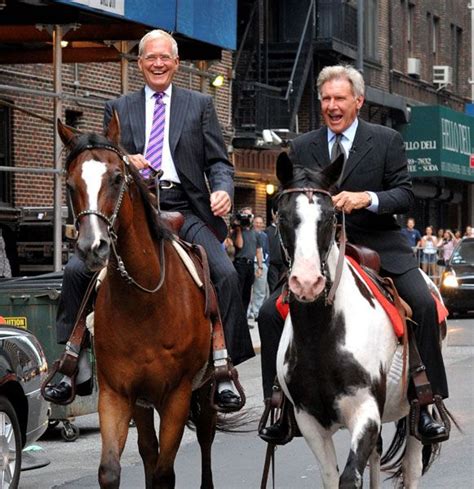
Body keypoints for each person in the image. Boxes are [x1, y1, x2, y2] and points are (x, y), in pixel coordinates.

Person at [45, 29, 255, 410]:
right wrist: (128, 160)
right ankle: (75, 359)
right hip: (134, 209)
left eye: (165, 57)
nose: (158, 63)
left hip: (186, 207)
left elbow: (219, 162)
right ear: (139, 63)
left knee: (224, 273)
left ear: (176, 63)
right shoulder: (118, 107)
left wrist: (222, 188)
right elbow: (105, 161)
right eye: (149, 57)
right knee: (77, 271)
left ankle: (225, 366)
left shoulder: (200, 104)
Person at [258, 64, 448, 444]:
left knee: (423, 304)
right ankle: (278, 404)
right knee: (267, 314)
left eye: (339, 98)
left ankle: (428, 399)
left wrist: (368, 199)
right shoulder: (302, 146)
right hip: (319, 248)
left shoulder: (386, 139)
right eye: (325, 98)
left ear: (358, 101)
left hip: (377, 243)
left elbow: (405, 193)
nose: (332, 106)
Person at [230, 207, 264, 326]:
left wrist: (260, 267)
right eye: (245, 215)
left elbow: (258, 251)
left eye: (249, 215)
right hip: (239, 264)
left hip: (250, 266)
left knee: (247, 294)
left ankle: (243, 321)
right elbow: (239, 245)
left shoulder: (256, 233)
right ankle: (236, 321)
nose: (246, 218)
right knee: (238, 293)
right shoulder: (236, 231)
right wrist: (238, 229)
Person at [248, 215, 269, 320]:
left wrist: (265, 264)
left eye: (260, 223)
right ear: (253, 223)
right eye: (256, 222)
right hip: (250, 263)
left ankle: (257, 312)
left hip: (262, 264)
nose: (258, 224)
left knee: (260, 291)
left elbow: (266, 251)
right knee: (248, 288)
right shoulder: (249, 234)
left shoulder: (265, 236)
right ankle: (247, 312)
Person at [265, 204, 288, 293]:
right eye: (276, 214)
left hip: (283, 264)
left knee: (283, 287)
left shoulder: (285, 230)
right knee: (273, 287)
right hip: (272, 264)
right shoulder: (267, 231)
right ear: (273, 215)